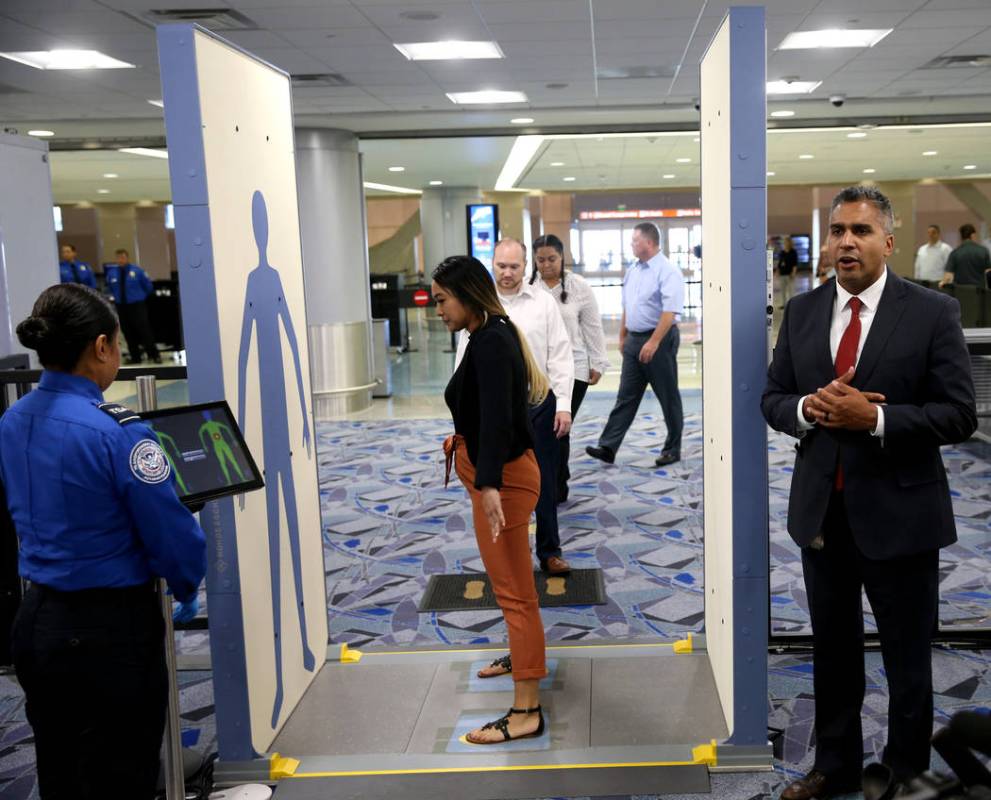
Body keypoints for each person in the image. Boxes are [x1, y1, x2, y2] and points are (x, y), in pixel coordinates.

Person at [762, 185, 977, 800]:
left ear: (889, 239)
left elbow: (959, 414)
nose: (845, 242)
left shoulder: (931, 312)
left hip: (902, 512)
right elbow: (773, 398)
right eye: (837, 231)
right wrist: (807, 406)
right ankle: (835, 765)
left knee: (907, 659)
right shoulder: (802, 312)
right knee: (833, 652)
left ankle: (906, 771)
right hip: (822, 514)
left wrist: (875, 420)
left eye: (859, 230)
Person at [1, 283, 207, 799]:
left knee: (60, 768)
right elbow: (173, 535)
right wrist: (186, 586)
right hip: (109, 634)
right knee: (121, 772)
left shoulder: (12, 419)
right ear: (100, 348)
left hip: (37, 623)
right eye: (116, 344)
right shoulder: (121, 433)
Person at [434, 255, 547, 744]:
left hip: (503, 482)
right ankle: (518, 657)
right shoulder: (484, 335)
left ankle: (526, 711)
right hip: (494, 477)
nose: (436, 309)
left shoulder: (493, 342)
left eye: (441, 300)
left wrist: (489, 486)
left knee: (517, 596)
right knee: (510, 590)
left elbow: (500, 418)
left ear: (466, 294)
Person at [455, 238, 574, 576]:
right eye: (501, 266)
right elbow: (463, 363)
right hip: (494, 411)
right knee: (496, 482)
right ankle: (506, 555)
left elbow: (560, 356)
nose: (507, 273)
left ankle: (550, 551)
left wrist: (563, 405)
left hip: (538, 404)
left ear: (526, 266)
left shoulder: (544, 303)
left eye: (514, 266)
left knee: (544, 482)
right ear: (492, 264)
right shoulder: (477, 306)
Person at [586, 222, 684, 467]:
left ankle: (672, 449)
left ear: (649, 243)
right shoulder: (634, 270)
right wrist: (622, 335)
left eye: (634, 240)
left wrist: (654, 341)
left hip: (659, 340)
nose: (631, 244)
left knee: (668, 396)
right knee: (626, 397)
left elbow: (670, 311)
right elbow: (628, 306)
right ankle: (608, 446)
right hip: (634, 340)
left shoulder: (668, 270)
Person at [529, 233, 609, 503]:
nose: (546, 265)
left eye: (552, 259)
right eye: (540, 260)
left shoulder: (578, 286)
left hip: (574, 368)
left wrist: (597, 362)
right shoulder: (529, 287)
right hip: (538, 370)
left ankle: (557, 484)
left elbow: (592, 326)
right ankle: (545, 480)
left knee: (560, 428)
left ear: (563, 257)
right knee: (539, 429)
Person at [106, 248, 161, 363]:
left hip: (137, 305)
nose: (121, 259)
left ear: (127, 258)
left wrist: (139, 297)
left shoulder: (137, 271)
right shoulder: (112, 273)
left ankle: (154, 355)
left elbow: (148, 287)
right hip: (121, 306)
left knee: (144, 330)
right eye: (118, 257)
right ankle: (135, 357)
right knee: (127, 331)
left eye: (123, 257)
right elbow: (110, 288)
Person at [776, 235, 799, 308]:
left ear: (789, 243)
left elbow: (795, 264)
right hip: (782, 273)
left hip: (790, 274)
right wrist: (777, 271)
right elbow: (779, 263)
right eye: (784, 242)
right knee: (782, 290)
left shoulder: (793, 252)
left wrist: (793, 272)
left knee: (791, 290)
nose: (785, 244)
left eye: (786, 242)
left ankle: (791, 304)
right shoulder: (782, 252)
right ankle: (784, 304)